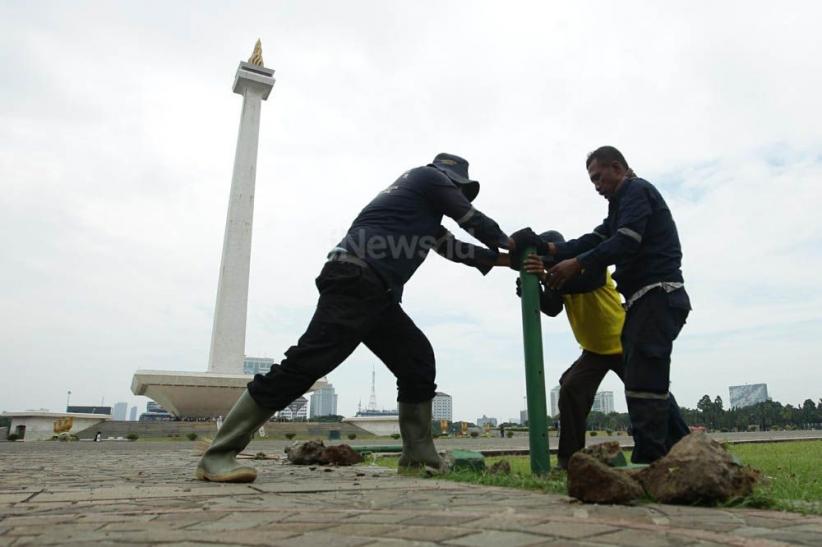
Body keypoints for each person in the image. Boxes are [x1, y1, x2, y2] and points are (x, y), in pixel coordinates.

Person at [196, 153, 514, 482]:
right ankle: (218, 455)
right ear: (449, 181)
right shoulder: (425, 176)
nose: (459, 196)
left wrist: (508, 260)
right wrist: (511, 243)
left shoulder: (420, 218)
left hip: (377, 293)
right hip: (355, 279)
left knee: (416, 361)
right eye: (459, 190)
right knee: (304, 366)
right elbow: (471, 219)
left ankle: (419, 458)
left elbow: (458, 250)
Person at [521, 146, 692, 464]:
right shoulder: (617, 210)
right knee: (578, 388)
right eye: (592, 180)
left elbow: (617, 247)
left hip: (651, 300)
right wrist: (546, 256)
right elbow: (590, 243)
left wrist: (565, 266)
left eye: (598, 177)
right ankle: (571, 460)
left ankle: (671, 455)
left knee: (647, 387)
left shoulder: (636, 191)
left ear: (618, 168)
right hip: (601, 342)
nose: (596, 185)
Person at [517, 230, 625, 469]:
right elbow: (553, 307)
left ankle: (679, 443)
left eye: (548, 261)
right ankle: (569, 460)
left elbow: (589, 283)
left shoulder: (587, 261)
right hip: (594, 349)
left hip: (624, 342)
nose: (549, 266)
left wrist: (545, 277)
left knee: (650, 391)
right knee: (571, 389)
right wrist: (530, 289)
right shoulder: (556, 278)